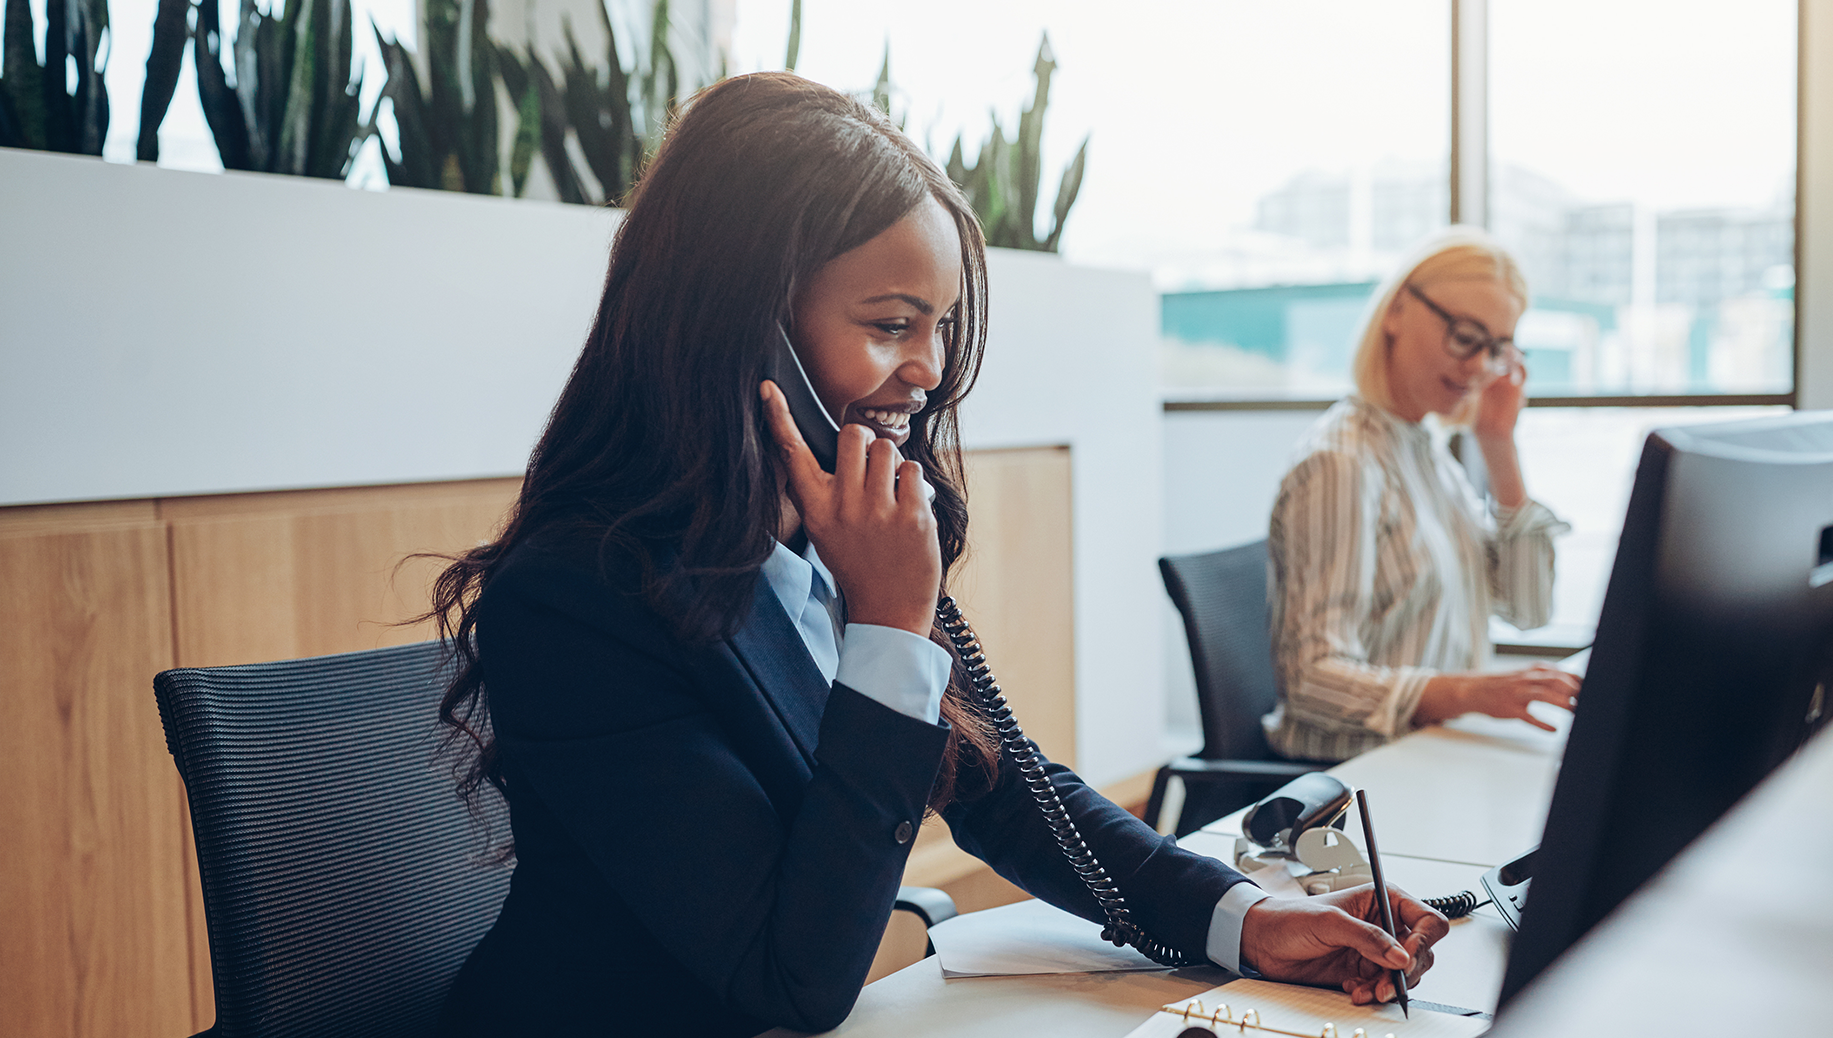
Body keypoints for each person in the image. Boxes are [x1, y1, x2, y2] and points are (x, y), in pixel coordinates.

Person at [424, 72, 1448, 1037]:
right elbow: (796, 977)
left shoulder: (816, 543)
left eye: (939, 326)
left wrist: (1240, 917)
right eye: (888, 324)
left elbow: (1001, 783)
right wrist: (885, 630)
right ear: (743, 330)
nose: (926, 369)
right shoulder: (576, 599)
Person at [1264, 229, 1583, 763]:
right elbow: (1312, 679)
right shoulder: (1342, 462)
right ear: (1396, 312)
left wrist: (1500, 446)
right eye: (1466, 336)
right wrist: (1466, 693)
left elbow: (1529, 608)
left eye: (1497, 348)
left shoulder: (1425, 450)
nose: (1481, 367)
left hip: (1430, 753)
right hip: (1356, 781)